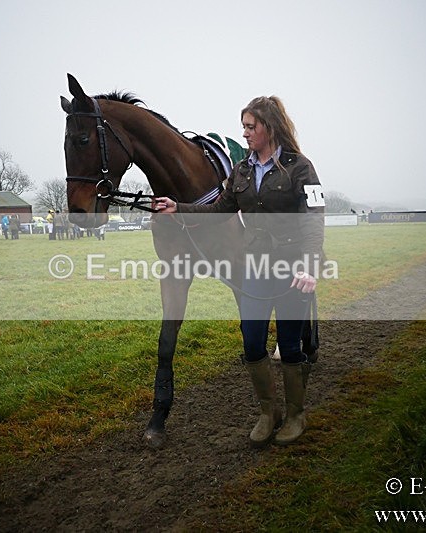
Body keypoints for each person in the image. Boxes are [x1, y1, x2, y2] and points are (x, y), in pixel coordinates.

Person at [153, 95, 324, 447]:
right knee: (252, 342)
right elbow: (220, 210)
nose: (244, 133)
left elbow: (314, 217)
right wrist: (178, 207)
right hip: (255, 266)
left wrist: (309, 263)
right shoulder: (242, 170)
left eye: (250, 127)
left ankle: (295, 415)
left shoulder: (301, 167)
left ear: (269, 128)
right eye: (243, 126)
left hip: (292, 266)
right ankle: (268, 413)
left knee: (290, 345)